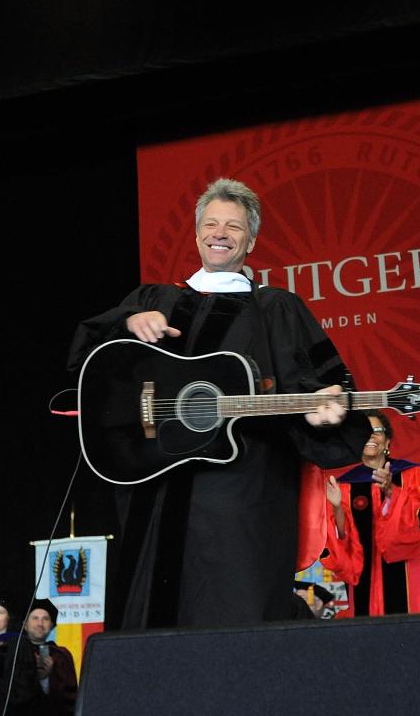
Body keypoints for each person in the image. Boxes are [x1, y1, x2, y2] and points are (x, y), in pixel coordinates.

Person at [67, 177, 370, 629]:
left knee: (232, 624)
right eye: (210, 224)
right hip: (154, 493)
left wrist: (321, 414)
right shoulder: (155, 299)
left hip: (241, 498)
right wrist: (129, 325)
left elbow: (320, 391)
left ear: (252, 238)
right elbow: (89, 369)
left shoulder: (277, 310)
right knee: (150, 624)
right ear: (195, 235)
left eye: (233, 226)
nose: (219, 233)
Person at [319, 409, 420, 617]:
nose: (371, 435)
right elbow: (343, 544)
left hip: (409, 575)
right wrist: (337, 507)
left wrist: (391, 491)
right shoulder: (345, 485)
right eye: (365, 431)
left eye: (377, 430)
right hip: (366, 580)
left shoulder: (412, 474)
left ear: (387, 442)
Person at [24, 599, 77, 716]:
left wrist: (45, 679)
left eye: (46, 619)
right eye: (35, 618)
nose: (40, 623)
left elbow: (69, 698)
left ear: (52, 626)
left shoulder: (61, 655)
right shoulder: (15, 653)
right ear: (25, 625)